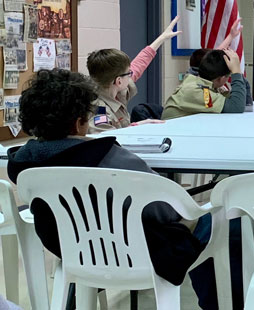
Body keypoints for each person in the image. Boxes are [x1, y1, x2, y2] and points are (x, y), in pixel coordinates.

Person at [6, 69, 203, 288]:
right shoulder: (109, 158)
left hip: (70, 249)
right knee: (215, 225)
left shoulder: (24, 165)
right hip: (137, 250)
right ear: (79, 123)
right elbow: (165, 209)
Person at [87, 16, 181, 132]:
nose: (131, 74)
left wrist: (162, 38)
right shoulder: (99, 111)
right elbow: (107, 143)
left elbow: (139, 64)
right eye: (129, 73)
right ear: (119, 81)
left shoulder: (114, 90)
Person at [161, 48, 246, 119]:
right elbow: (236, 107)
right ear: (221, 78)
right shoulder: (195, 90)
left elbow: (246, 103)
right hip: (171, 134)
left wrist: (237, 71)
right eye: (229, 76)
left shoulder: (208, 85)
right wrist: (236, 72)